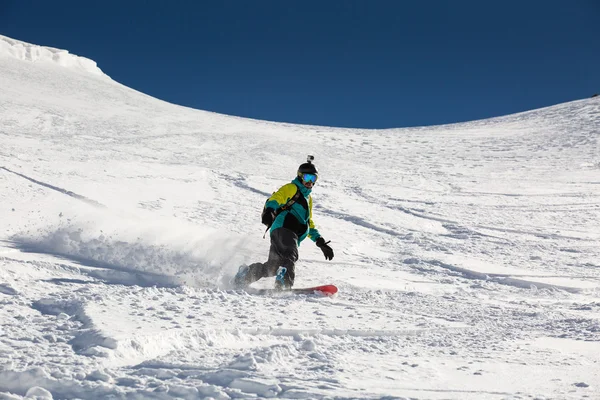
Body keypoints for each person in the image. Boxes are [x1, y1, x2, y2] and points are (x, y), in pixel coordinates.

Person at [234, 156, 334, 290]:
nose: (310, 182)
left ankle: (245, 275)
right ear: (300, 176)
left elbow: (308, 223)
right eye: (307, 178)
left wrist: (320, 242)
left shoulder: (307, 198)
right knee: (290, 256)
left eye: (313, 179)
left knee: (272, 267)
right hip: (286, 229)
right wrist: (270, 209)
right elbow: (277, 197)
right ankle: (284, 284)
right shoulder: (292, 188)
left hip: (280, 232)